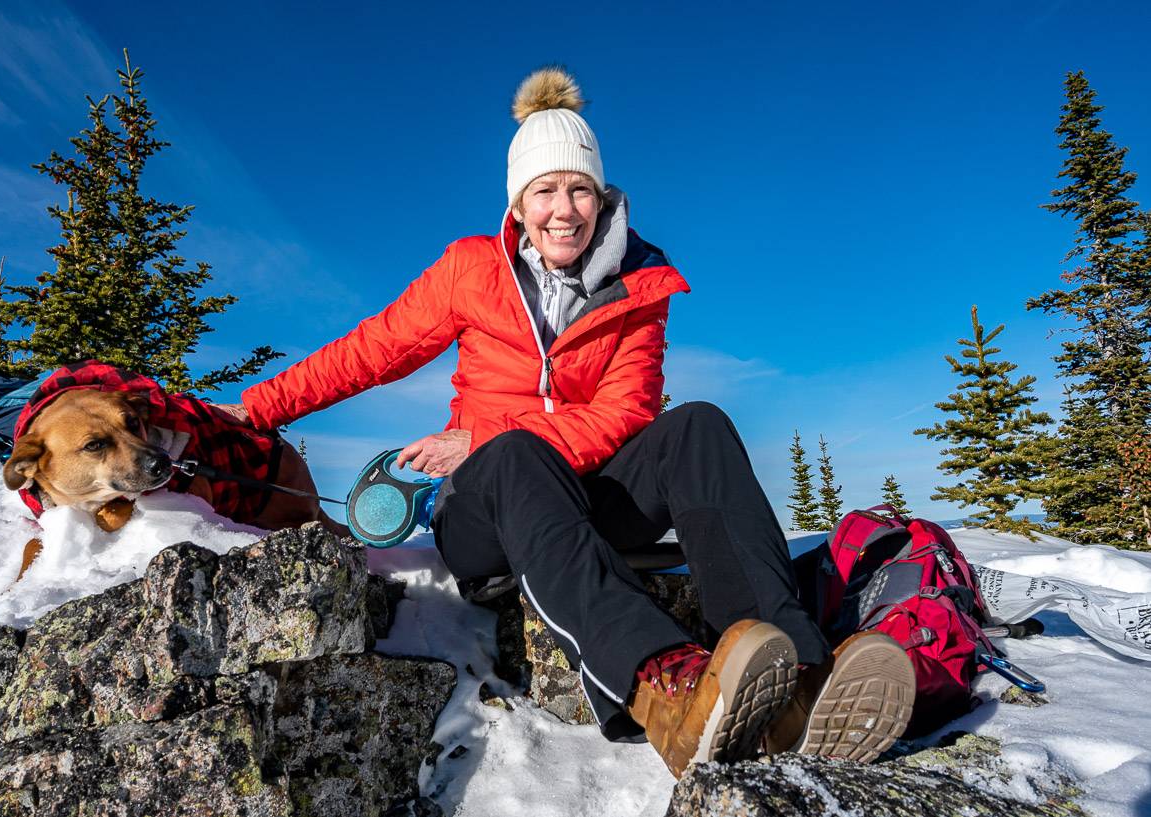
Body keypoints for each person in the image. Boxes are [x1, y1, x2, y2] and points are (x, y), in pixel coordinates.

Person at [216, 67, 914, 778]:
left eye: (579, 188)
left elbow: (625, 413)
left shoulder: (640, 281)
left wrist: (490, 436)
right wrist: (260, 407)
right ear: (519, 200)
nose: (564, 210)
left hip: (585, 492)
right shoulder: (470, 269)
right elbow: (374, 349)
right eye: (545, 190)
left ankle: (793, 673)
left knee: (696, 426)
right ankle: (667, 688)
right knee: (515, 452)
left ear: (602, 194)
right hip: (488, 506)